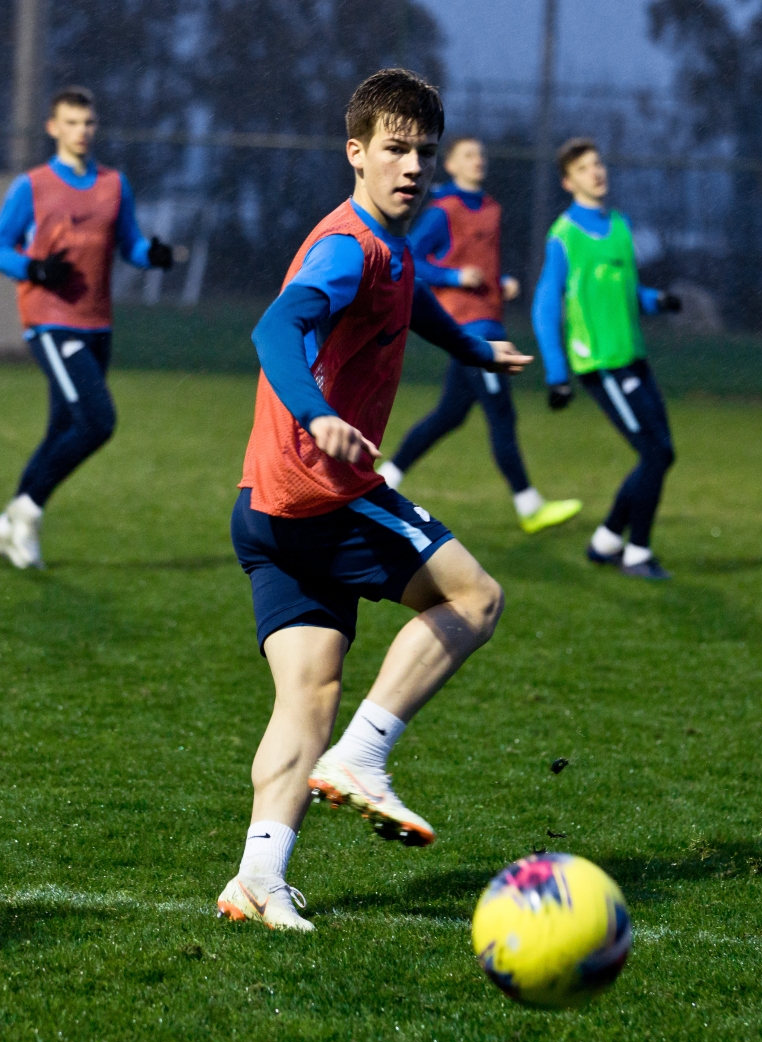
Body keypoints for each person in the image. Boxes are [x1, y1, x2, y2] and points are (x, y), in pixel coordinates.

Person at [216, 70, 532, 933]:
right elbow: (275, 328)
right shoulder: (347, 247)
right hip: (322, 494)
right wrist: (317, 415)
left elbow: (412, 298)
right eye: (394, 149)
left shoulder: (384, 249)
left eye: (423, 152)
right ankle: (366, 754)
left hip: (264, 506)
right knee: (477, 596)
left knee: (307, 694)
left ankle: (257, 877)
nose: (412, 166)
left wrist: (469, 346)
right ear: (355, 152)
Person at [0, 86, 178, 569]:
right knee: (97, 421)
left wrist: (151, 256)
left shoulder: (114, 183)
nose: (82, 132)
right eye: (71, 122)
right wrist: (33, 269)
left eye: (88, 123)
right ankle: (25, 512)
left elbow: (128, 243)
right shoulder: (31, 186)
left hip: (97, 323)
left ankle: (7, 527)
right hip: (51, 321)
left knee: (63, 429)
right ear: (53, 127)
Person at [378, 138, 582, 535]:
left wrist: (499, 280)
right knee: (502, 414)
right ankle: (529, 505)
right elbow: (410, 257)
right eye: (469, 155)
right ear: (451, 164)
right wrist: (454, 277)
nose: (479, 161)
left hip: (491, 320)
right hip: (468, 328)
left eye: (482, 155)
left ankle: (386, 477)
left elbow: (483, 261)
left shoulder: (491, 208)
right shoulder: (443, 210)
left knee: (449, 415)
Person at [533, 138, 683, 581]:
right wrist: (557, 375)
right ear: (568, 181)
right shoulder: (564, 236)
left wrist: (656, 301)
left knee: (661, 454)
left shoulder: (620, 225)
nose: (596, 172)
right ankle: (637, 552)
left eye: (598, 164)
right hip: (601, 365)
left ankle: (605, 541)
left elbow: (623, 291)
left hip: (633, 358)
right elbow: (546, 307)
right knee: (655, 454)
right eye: (583, 168)